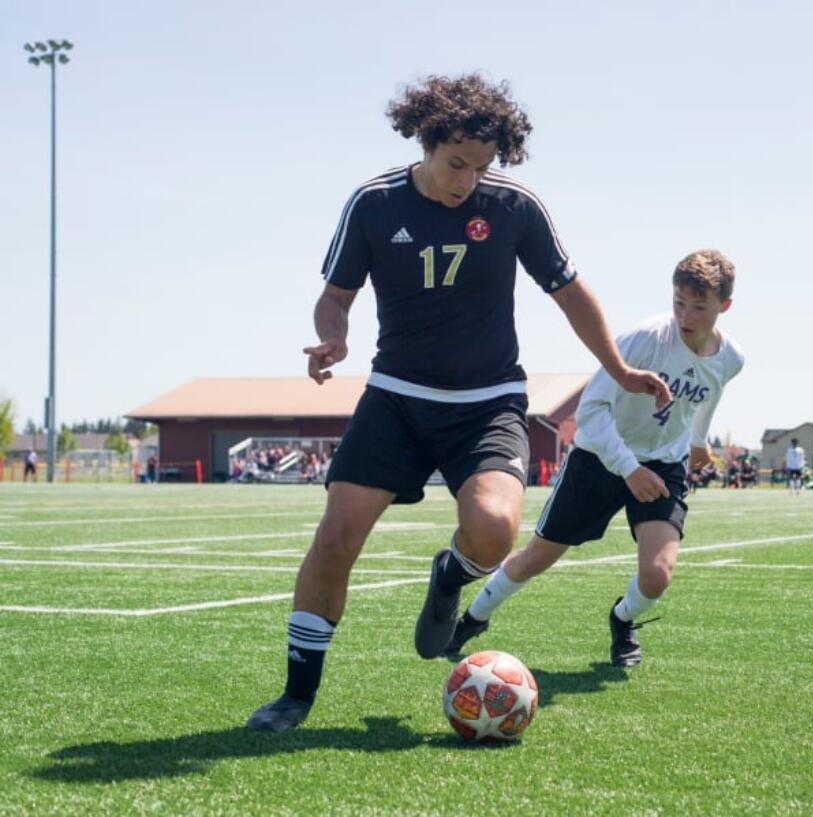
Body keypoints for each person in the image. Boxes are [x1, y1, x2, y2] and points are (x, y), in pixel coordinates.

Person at [247, 74, 668, 732]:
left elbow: (572, 293)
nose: (467, 179)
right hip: (396, 398)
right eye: (456, 163)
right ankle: (295, 695)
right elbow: (335, 295)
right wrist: (334, 336)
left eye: (481, 166)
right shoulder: (373, 204)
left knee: (496, 528)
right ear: (426, 142)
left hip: (487, 402)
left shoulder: (515, 208)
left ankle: (450, 575)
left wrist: (618, 366)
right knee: (335, 539)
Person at [446, 250, 743, 666]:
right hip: (600, 457)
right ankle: (473, 617)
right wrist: (629, 468)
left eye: (699, 307)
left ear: (724, 306)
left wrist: (698, 441)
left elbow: (707, 397)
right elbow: (589, 411)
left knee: (657, 576)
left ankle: (622, 619)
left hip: (662, 463)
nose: (685, 316)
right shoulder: (644, 340)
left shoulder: (731, 359)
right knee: (537, 557)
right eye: (679, 302)